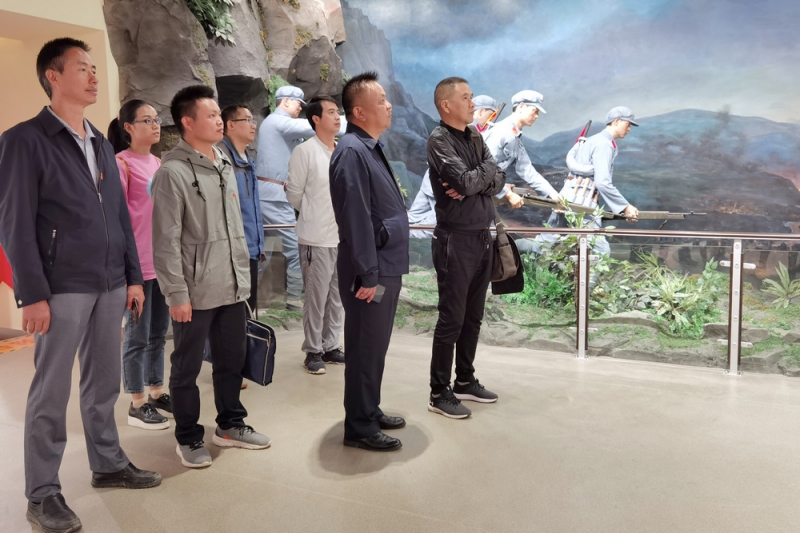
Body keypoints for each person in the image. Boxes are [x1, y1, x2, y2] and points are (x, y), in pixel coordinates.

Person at [0, 37, 161, 532]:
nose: (94, 76)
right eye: (83, 68)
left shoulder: (100, 142)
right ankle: (42, 493)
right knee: (51, 391)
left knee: (103, 382)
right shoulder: (24, 140)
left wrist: (132, 278)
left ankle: (108, 463)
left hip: (110, 283)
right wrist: (32, 293)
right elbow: (14, 222)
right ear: (53, 76)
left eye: (95, 68)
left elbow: (120, 217)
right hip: (61, 285)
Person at [151, 85, 271, 469]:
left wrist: (242, 281)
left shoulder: (223, 163)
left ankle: (230, 425)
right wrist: (176, 294)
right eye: (212, 115)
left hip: (231, 286)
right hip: (194, 291)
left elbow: (234, 227)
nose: (220, 121)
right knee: (186, 368)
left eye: (220, 114)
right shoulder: (172, 172)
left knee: (231, 362)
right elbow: (165, 241)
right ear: (188, 122)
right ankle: (187, 436)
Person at [330, 72, 409, 451]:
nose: (388, 105)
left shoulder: (368, 147)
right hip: (371, 269)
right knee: (364, 346)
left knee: (374, 346)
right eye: (380, 101)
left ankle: (369, 409)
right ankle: (359, 426)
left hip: (383, 263)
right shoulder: (351, 151)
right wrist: (368, 273)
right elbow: (356, 218)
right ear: (359, 112)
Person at [427, 77, 506, 419]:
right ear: (446, 105)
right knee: (452, 319)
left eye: (472, 97)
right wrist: (480, 177)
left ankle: (464, 380)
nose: (473, 103)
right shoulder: (438, 139)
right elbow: (467, 181)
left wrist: (478, 179)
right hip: (454, 240)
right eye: (466, 97)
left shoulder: (474, 135)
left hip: (481, 237)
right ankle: (438, 392)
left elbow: (497, 179)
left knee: (473, 317)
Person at [108, 99, 173, 431]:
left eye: (156, 119)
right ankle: (136, 402)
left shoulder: (159, 163)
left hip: (161, 264)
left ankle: (157, 391)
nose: (155, 125)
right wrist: (126, 271)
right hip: (136, 267)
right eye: (147, 120)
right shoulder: (121, 164)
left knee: (158, 333)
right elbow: (116, 221)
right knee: (136, 336)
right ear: (129, 127)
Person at [257, 86, 346, 310]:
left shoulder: (275, 125)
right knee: (295, 249)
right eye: (298, 104)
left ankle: (247, 299)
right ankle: (295, 299)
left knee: (263, 251)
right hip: (276, 197)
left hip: (270, 196)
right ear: (286, 101)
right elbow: (315, 127)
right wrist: (352, 119)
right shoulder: (278, 122)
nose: (300, 109)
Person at [286, 95, 345, 375]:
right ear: (316, 119)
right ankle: (313, 350)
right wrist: (312, 213)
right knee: (316, 297)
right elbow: (294, 195)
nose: (337, 117)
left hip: (341, 237)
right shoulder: (305, 151)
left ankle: (331, 345)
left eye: (337, 112)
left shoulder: (342, 151)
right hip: (315, 237)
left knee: (337, 297)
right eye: (331, 112)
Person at [555, 106, 640, 254]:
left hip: (567, 198)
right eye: (628, 124)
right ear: (617, 121)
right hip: (582, 203)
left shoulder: (594, 140)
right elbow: (602, 182)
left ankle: (516, 248)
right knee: (601, 252)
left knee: (545, 243)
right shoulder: (604, 144)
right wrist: (625, 207)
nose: (629, 128)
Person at [217, 104, 264, 313]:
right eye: (247, 120)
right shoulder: (221, 157)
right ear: (230, 125)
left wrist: (259, 243)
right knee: (235, 314)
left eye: (253, 120)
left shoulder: (247, 159)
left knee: (247, 311)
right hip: (232, 253)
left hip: (249, 249)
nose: (253, 125)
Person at [484, 90, 561, 210]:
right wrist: (507, 194)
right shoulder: (502, 132)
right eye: (535, 111)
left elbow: (525, 169)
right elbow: (483, 170)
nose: (537, 116)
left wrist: (552, 193)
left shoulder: (514, 134)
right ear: (521, 106)